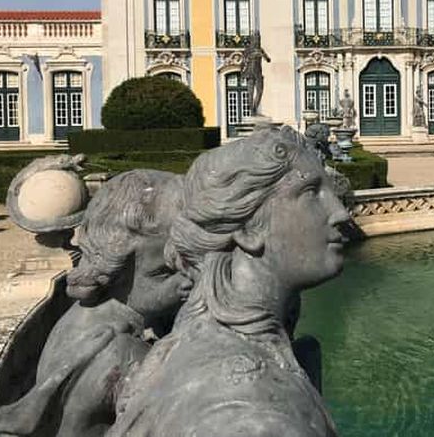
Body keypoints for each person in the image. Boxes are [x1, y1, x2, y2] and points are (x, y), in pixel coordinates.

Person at [108, 126, 349, 436]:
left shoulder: (198, 340)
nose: (341, 213)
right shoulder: (248, 415)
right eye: (311, 193)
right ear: (248, 230)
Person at [0, 169, 192, 437]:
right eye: (165, 273)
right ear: (117, 267)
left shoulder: (106, 315)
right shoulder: (111, 351)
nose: (187, 280)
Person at [241, 32, 271, 116]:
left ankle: (255, 108)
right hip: (250, 73)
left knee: (260, 91)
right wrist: (242, 73)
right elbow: (243, 62)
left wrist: (262, 55)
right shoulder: (248, 50)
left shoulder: (260, 49)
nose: (258, 41)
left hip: (258, 73)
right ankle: (252, 111)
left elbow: (268, 59)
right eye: (256, 39)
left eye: (259, 39)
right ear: (252, 40)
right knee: (250, 92)